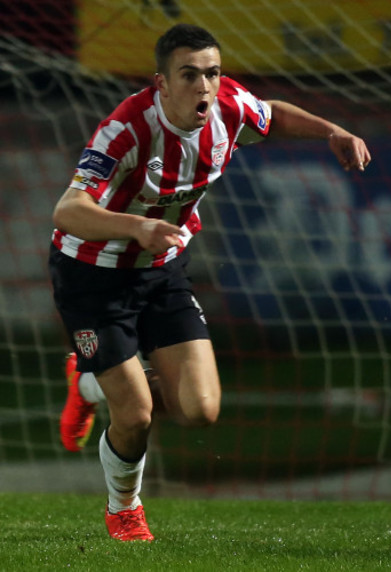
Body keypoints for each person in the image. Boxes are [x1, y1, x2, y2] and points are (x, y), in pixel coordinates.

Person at [49, 23, 371, 542]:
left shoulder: (228, 108)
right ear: (161, 83)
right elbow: (68, 210)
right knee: (134, 413)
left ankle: (88, 379)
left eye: (213, 73)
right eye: (190, 74)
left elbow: (273, 114)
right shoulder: (126, 130)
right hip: (92, 275)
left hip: (160, 270)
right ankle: (123, 509)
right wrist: (139, 227)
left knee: (201, 410)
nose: (205, 86)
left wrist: (332, 130)